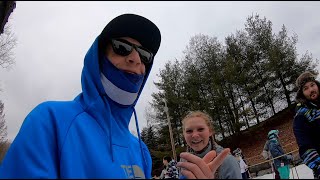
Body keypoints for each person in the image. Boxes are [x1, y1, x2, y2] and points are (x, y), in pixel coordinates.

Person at [0, 13, 161, 178]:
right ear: (98, 59)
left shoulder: (141, 151)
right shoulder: (50, 121)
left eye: (145, 55)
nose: (135, 58)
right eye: (122, 47)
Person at [177, 111, 242, 179]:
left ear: (210, 131)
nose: (195, 135)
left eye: (200, 129)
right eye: (189, 131)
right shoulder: (183, 161)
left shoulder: (227, 160)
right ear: (184, 134)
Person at [293, 71, 320, 179]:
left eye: (312, 85)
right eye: (306, 88)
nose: (311, 90)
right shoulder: (301, 116)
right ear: (302, 93)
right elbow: (305, 148)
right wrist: (318, 167)